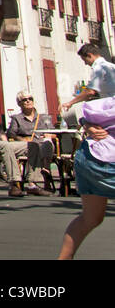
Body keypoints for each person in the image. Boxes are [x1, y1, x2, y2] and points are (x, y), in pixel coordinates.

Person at [58, 96, 115, 259]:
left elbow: (76, 112)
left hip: (88, 156)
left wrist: (86, 123)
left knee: (91, 218)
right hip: (107, 161)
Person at [6, 91, 55, 194]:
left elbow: (54, 132)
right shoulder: (17, 118)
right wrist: (22, 139)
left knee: (48, 143)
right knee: (36, 147)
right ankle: (41, 179)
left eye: (30, 99)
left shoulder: (44, 117)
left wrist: (49, 135)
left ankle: (45, 170)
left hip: (43, 142)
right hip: (27, 146)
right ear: (19, 103)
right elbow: (11, 134)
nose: (28, 101)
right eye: (24, 100)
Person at [62, 44, 115, 113]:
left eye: (85, 60)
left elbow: (90, 91)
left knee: (87, 119)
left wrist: (70, 103)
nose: (85, 64)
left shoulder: (98, 68)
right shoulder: (112, 66)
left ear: (89, 55)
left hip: (112, 107)